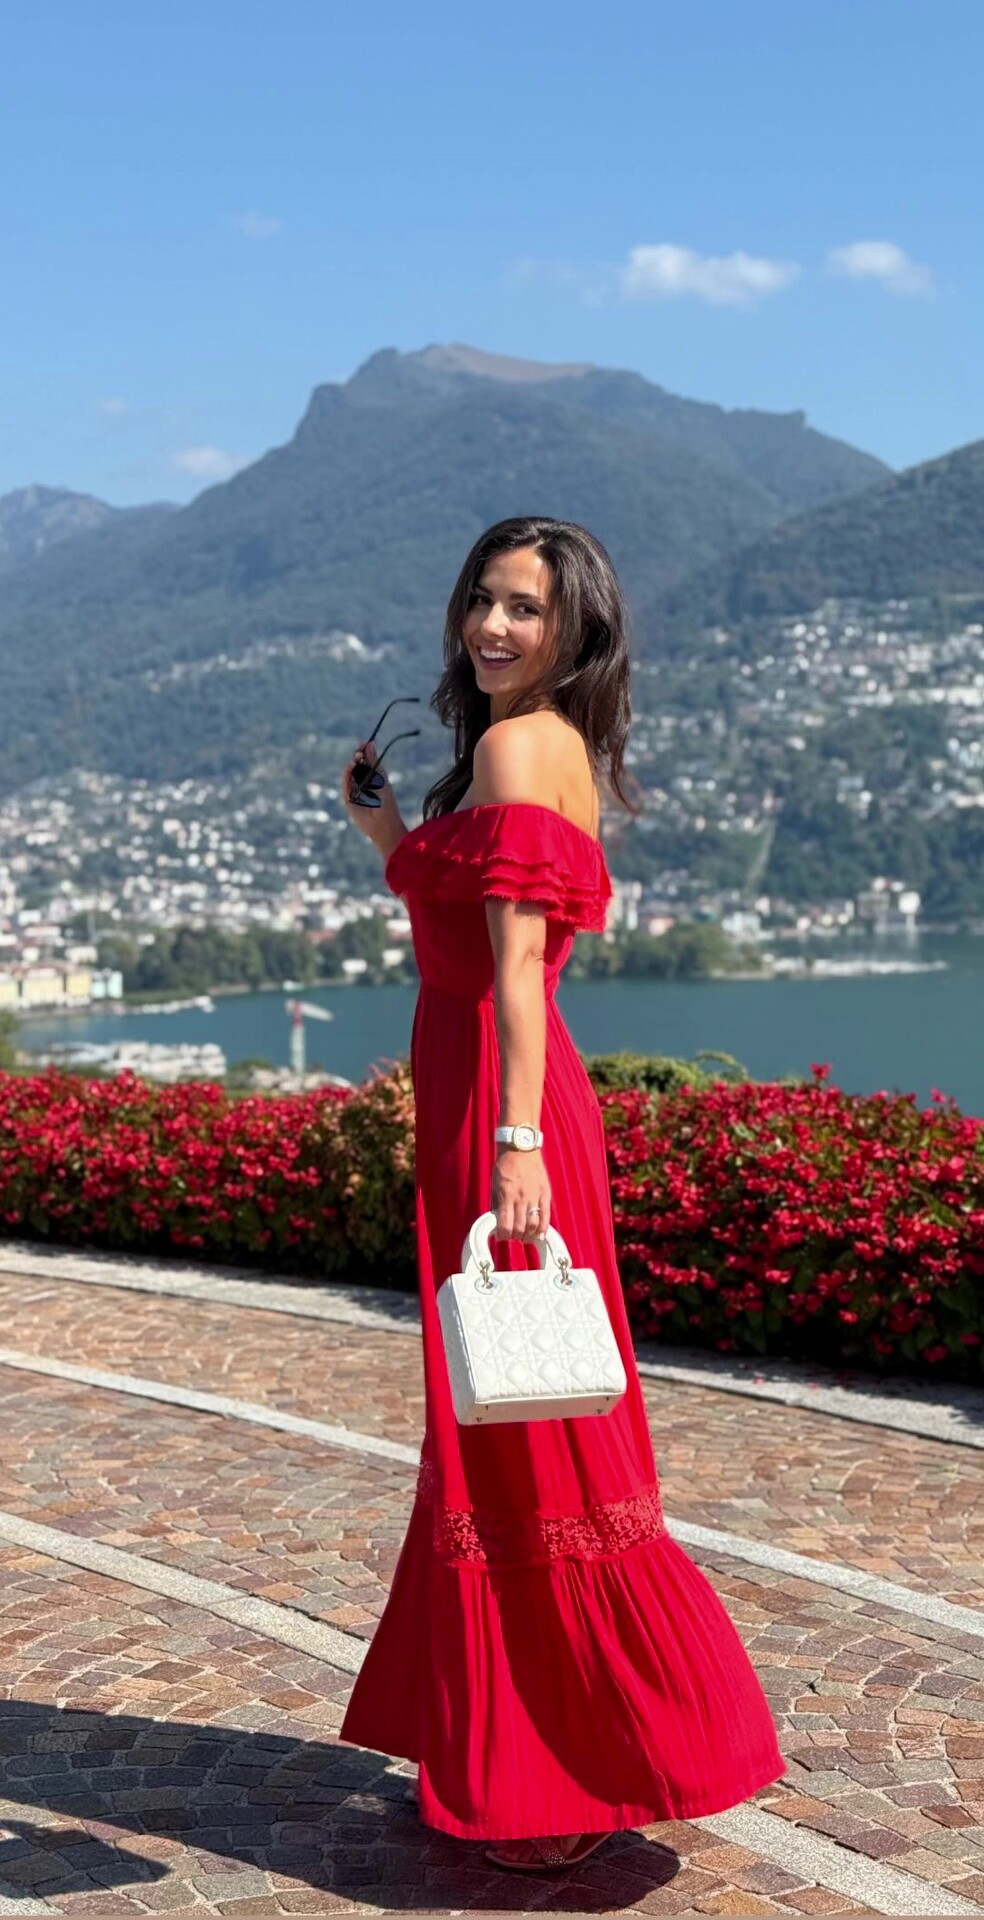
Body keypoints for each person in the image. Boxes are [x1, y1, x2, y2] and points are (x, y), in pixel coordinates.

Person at [337, 516, 786, 1873]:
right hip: (489, 1093)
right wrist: (391, 833)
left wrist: (518, 1141)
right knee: (501, 1432)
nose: (493, 624)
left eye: (525, 607)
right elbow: (465, 936)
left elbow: (519, 972)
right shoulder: (534, 749)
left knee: (533, 1443)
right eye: (483, 597)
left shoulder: (520, 748)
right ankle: (507, 1754)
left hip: (503, 1101)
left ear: (574, 629)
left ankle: (580, 1771)